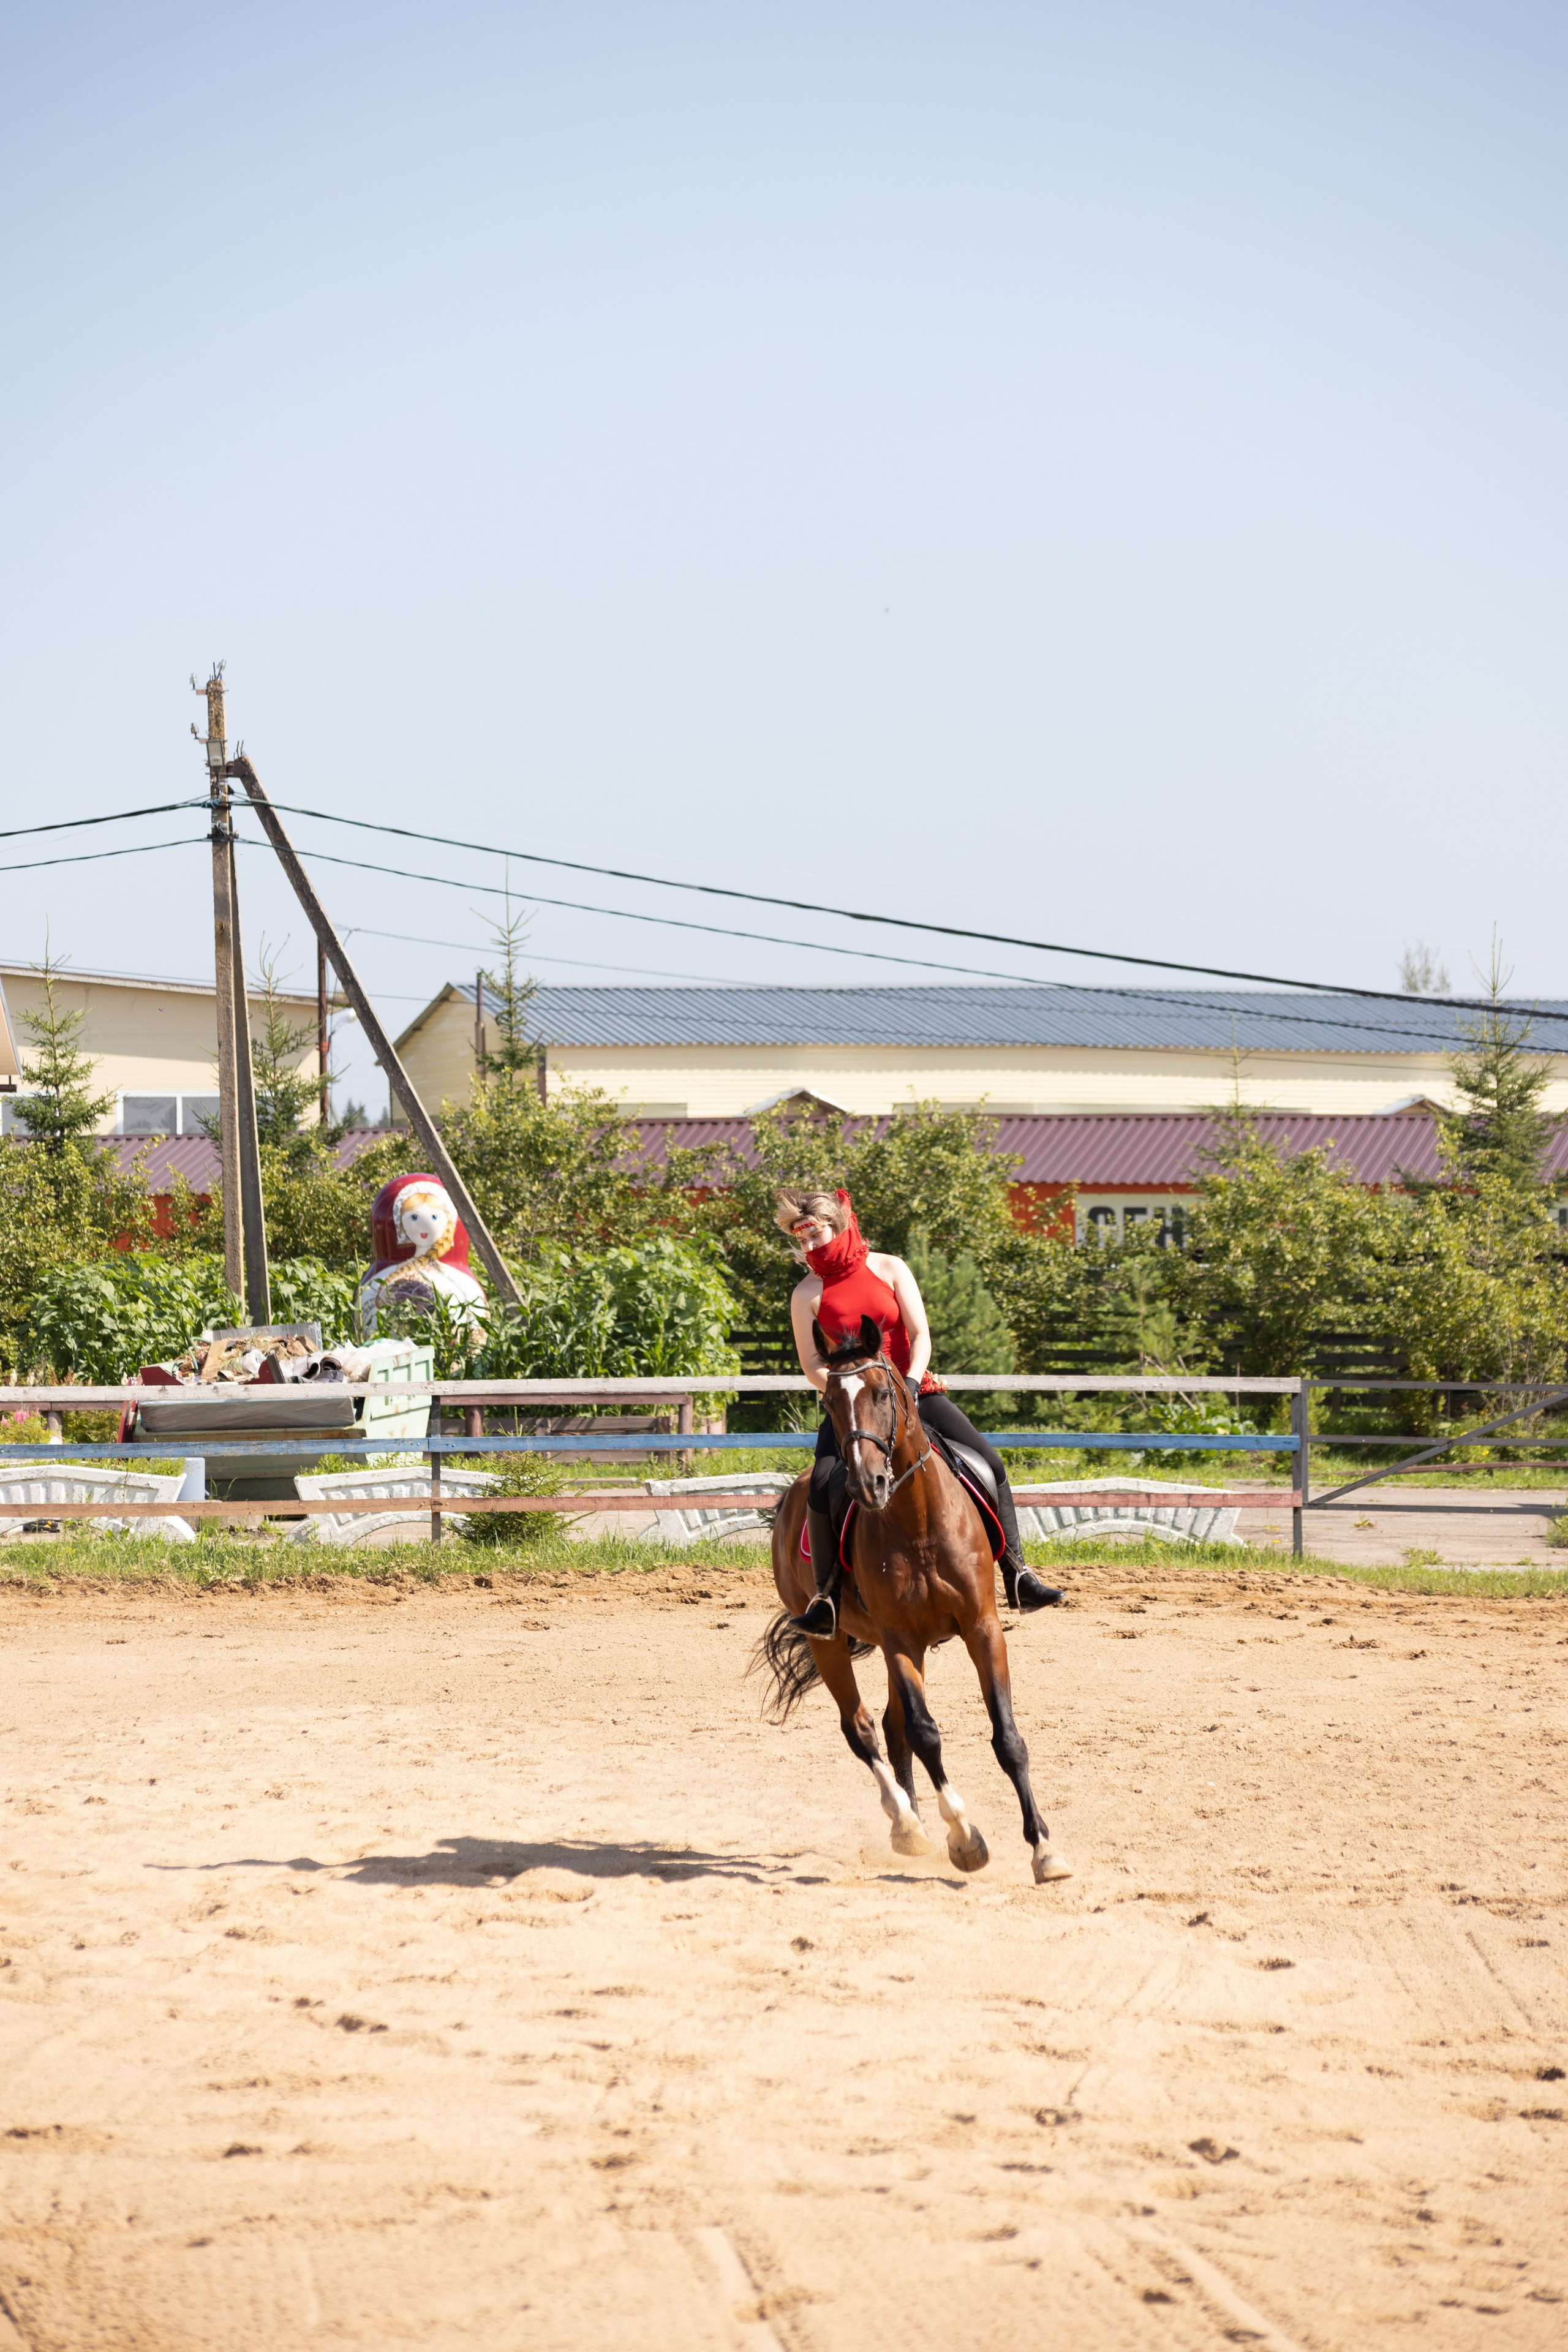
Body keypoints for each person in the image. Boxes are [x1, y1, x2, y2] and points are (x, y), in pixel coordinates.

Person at [776, 1186, 1061, 1637]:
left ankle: (1019, 1575)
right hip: (856, 1407)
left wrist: (907, 1385)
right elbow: (812, 1363)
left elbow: (920, 1333)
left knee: (989, 1463)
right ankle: (827, 1598)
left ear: (838, 1224)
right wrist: (844, 1391)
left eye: (816, 1234)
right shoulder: (806, 1293)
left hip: (915, 1389)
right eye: (801, 1238)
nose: (810, 1246)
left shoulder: (889, 1267)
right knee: (823, 1487)